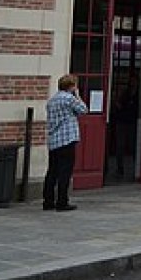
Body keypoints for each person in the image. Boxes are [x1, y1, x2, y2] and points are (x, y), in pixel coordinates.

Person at [43, 74, 87, 212]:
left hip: (54, 140)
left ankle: (48, 201)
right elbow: (84, 110)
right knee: (65, 172)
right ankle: (62, 201)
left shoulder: (52, 100)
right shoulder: (69, 99)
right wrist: (77, 95)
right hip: (67, 139)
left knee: (52, 171)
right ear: (71, 86)